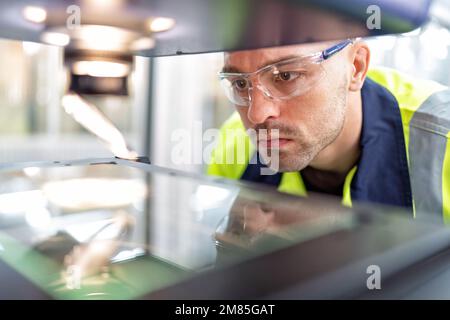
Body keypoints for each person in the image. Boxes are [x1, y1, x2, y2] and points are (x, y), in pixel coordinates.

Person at [207, 38, 450, 222]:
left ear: (356, 66)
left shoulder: (442, 142)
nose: (256, 115)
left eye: (286, 75)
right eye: (239, 83)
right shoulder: (235, 142)